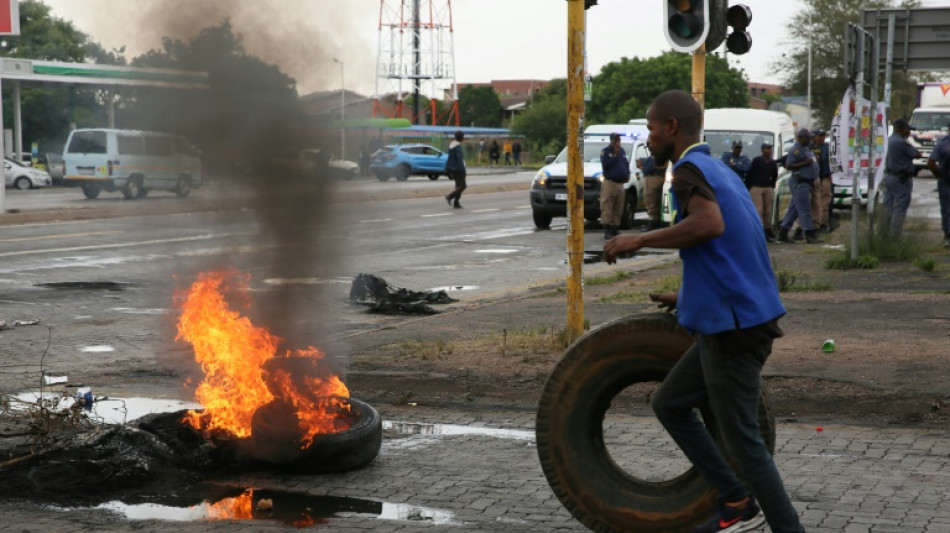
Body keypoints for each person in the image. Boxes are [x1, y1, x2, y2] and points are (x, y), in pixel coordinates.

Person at [604, 90, 804, 533]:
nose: (649, 137)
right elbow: (730, 250)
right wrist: (687, 297)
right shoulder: (719, 170)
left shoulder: (689, 171)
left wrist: (636, 240)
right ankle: (734, 497)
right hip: (734, 315)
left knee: (745, 443)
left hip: (736, 328)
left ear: (672, 128)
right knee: (670, 403)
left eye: (652, 129)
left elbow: (709, 226)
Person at [776, 128, 822, 244]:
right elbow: (789, 165)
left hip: (808, 182)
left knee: (795, 209)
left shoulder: (806, 148)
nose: (810, 140)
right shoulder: (795, 150)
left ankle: (783, 232)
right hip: (800, 182)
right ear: (801, 138)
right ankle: (809, 234)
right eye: (807, 138)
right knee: (804, 209)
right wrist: (806, 162)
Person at [882, 118, 923, 238]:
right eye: (908, 129)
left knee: (888, 206)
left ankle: (884, 233)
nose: (909, 132)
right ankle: (894, 237)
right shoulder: (901, 142)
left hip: (890, 177)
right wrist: (908, 142)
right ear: (903, 129)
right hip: (901, 179)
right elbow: (917, 154)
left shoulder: (889, 140)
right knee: (900, 208)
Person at [599, 132, 631, 239]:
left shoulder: (622, 151)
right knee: (607, 205)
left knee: (619, 206)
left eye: (619, 140)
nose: (618, 142)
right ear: (612, 141)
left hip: (620, 183)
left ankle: (614, 227)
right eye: (616, 140)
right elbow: (606, 165)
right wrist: (615, 156)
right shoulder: (606, 152)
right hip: (610, 182)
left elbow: (625, 164)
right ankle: (607, 228)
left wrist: (627, 174)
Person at [746, 142, 779, 242]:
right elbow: (750, 174)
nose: (769, 151)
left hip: (767, 187)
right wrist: (750, 187)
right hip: (756, 187)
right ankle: (757, 231)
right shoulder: (756, 161)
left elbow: (775, 176)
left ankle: (767, 230)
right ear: (762, 150)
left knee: (768, 211)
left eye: (770, 149)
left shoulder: (773, 163)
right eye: (767, 149)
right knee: (758, 210)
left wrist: (771, 186)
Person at [926, 122, 950, 249]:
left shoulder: (942, 143)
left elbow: (930, 162)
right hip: (945, 179)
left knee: (946, 209)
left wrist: (938, 174)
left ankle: (948, 236)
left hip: (945, 179)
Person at [810, 130, 833, 233]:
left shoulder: (828, 148)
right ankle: (812, 224)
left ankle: (822, 224)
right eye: (819, 136)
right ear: (814, 137)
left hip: (824, 178)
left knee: (824, 203)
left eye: (823, 136)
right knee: (812, 203)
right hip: (812, 179)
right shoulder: (810, 148)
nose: (822, 138)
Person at [638, 154, 668, 231]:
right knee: (655, 201)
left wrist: (642, 167)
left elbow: (648, 169)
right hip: (656, 178)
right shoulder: (652, 158)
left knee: (651, 201)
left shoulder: (655, 158)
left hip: (652, 179)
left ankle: (654, 222)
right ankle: (656, 222)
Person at [444, 130, 467, 209]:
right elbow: (459, 160)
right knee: (463, 186)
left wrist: (448, 169)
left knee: (458, 186)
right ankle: (450, 197)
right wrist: (463, 171)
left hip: (452, 169)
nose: (463, 138)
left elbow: (449, 159)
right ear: (461, 137)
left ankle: (456, 203)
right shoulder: (457, 147)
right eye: (463, 136)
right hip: (458, 170)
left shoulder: (451, 146)